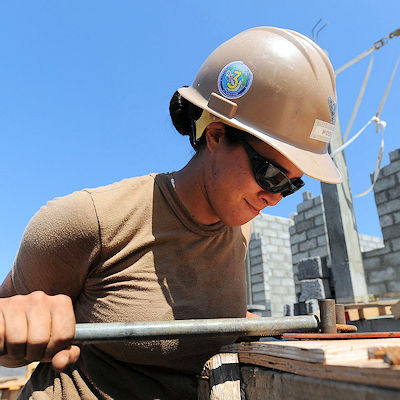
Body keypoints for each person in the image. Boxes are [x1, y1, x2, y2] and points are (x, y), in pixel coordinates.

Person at [0, 26, 341, 399]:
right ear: (215, 136)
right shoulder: (88, 220)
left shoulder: (240, 228)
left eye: (292, 184)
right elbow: (7, 327)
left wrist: (250, 326)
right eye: (271, 174)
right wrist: (16, 324)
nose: (276, 197)